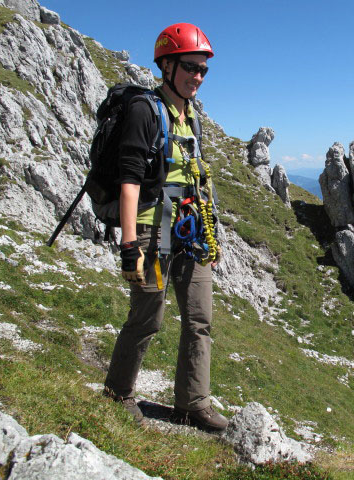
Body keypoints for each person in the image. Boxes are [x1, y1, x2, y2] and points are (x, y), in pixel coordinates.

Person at [102, 22, 227, 431]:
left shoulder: (192, 117)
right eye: (191, 67)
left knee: (200, 318)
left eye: (204, 70)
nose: (198, 77)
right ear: (167, 66)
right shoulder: (145, 110)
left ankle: (193, 404)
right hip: (151, 232)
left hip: (190, 230)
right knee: (148, 318)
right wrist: (129, 245)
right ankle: (118, 393)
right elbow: (129, 178)